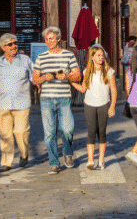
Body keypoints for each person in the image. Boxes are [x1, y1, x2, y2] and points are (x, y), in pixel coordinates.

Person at [0, 33, 34, 173]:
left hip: (22, 103)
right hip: (3, 103)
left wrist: (40, 84)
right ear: (3, 47)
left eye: (15, 43)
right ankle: (6, 162)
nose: (14, 46)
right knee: (5, 135)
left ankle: (23, 153)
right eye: (10, 44)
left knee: (21, 132)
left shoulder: (26, 60)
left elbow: (35, 76)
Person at [32, 27, 80, 174]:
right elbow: (35, 79)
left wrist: (66, 76)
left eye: (51, 38)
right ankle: (54, 162)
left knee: (68, 129)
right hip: (46, 99)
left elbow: (77, 76)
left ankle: (67, 151)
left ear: (58, 39)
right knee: (49, 133)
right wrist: (43, 78)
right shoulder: (41, 57)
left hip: (64, 98)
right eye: (46, 39)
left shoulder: (68, 55)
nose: (48, 41)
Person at [72, 44, 116, 170]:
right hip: (89, 105)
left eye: (102, 55)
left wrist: (112, 106)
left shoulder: (109, 71)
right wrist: (72, 82)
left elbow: (113, 89)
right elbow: (83, 89)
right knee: (91, 131)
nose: (101, 58)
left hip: (103, 104)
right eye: (98, 55)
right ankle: (90, 160)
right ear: (92, 57)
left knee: (101, 132)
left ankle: (101, 160)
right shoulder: (87, 71)